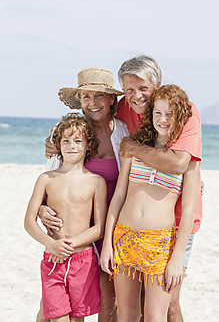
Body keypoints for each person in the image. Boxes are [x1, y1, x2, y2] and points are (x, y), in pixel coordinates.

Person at [44, 55, 202, 322]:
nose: (137, 97)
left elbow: (179, 164)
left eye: (143, 88)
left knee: (167, 306)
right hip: (117, 230)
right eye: (129, 90)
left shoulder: (181, 110)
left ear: (158, 85)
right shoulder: (122, 114)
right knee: (116, 306)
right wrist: (52, 142)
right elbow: (74, 137)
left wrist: (134, 148)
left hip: (169, 228)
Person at [100, 84, 200, 322]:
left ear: (181, 116)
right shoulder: (134, 147)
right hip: (124, 238)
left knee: (156, 316)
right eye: (158, 113)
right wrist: (107, 244)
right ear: (151, 113)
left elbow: (188, 211)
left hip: (159, 243)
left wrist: (176, 260)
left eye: (170, 114)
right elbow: (119, 197)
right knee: (128, 315)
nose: (163, 120)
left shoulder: (188, 161)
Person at [37, 67, 129, 322]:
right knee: (50, 306)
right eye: (86, 97)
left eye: (99, 95)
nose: (92, 103)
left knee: (107, 299)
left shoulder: (124, 133)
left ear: (112, 99)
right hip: (74, 227)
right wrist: (42, 208)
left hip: (112, 226)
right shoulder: (70, 133)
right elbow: (52, 177)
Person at [24, 113, 107, 321]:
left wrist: (68, 245)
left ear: (88, 145)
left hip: (83, 260)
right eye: (66, 140)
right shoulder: (46, 179)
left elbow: (99, 228)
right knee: (57, 317)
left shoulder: (96, 182)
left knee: (77, 318)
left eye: (78, 141)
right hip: (53, 258)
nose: (72, 146)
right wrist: (51, 244)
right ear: (58, 145)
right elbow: (29, 222)